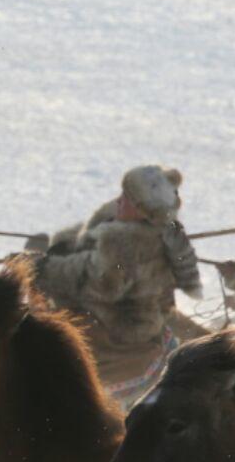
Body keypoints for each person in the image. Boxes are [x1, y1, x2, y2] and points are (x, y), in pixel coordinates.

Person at [29, 165, 203, 407]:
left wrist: (40, 266)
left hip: (116, 338)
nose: (119, 201)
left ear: (143, 211)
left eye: (128, 199)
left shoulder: (123, 243)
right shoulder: (160, 233)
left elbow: (91, 280)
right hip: (149, 326)